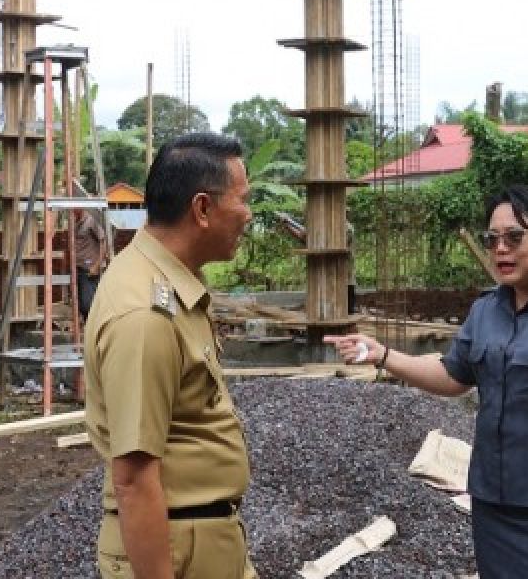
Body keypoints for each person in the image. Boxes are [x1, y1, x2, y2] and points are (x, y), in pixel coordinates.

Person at [326, 184, 528, 578]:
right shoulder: (486, 310)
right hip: (493, 506)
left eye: (514, 237)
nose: (500, 249)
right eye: (492, 239)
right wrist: (383, 355)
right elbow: (454, 376)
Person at [84, 132, 257, 579]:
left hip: (202, 537)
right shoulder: (145, 314)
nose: (248, 215)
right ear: (202, 209)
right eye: (242, 200)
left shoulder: (168, 284)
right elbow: (135, 478)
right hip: (177, 547)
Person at [276, 212, 357, 315]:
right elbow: (306, 238)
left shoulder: (347, 228)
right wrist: (288, 225)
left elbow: (332, 243)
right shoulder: (327, 228)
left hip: (344, 278)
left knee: (346, 313)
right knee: (327, 313)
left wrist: (310, 234)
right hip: (327, 278)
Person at [72, 182, 108, 323]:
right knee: (81, 303)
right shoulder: (76, 223)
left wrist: (96, 265)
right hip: (79, 268)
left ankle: (94, 327)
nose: (73, 210)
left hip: (89, 269)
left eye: (75, 207)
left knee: (88, 304)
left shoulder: (91, 221)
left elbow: (103, 242)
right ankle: (89, 328)